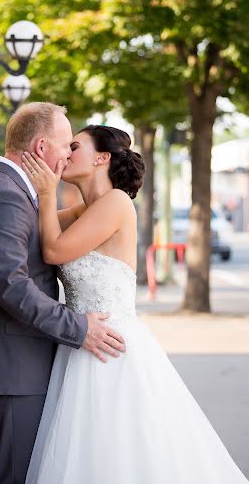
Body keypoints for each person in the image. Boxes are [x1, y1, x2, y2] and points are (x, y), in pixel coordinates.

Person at [22, 124, 248, 484]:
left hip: (111, 347)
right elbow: (34, 230)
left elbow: (53, 250)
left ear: (102, 158)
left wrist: (48, 194)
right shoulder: (85, 209)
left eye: (74, 146)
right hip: (81, 342)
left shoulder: (115, 202)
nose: (66, 152)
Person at [0, 104, 126, 484]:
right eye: (66, 144)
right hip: (11, 369)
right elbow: (13, 287)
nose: (69, 153)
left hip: (22, 365)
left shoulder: (17, 191)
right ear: (40, 148)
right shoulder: (5, 196)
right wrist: (78, 327)